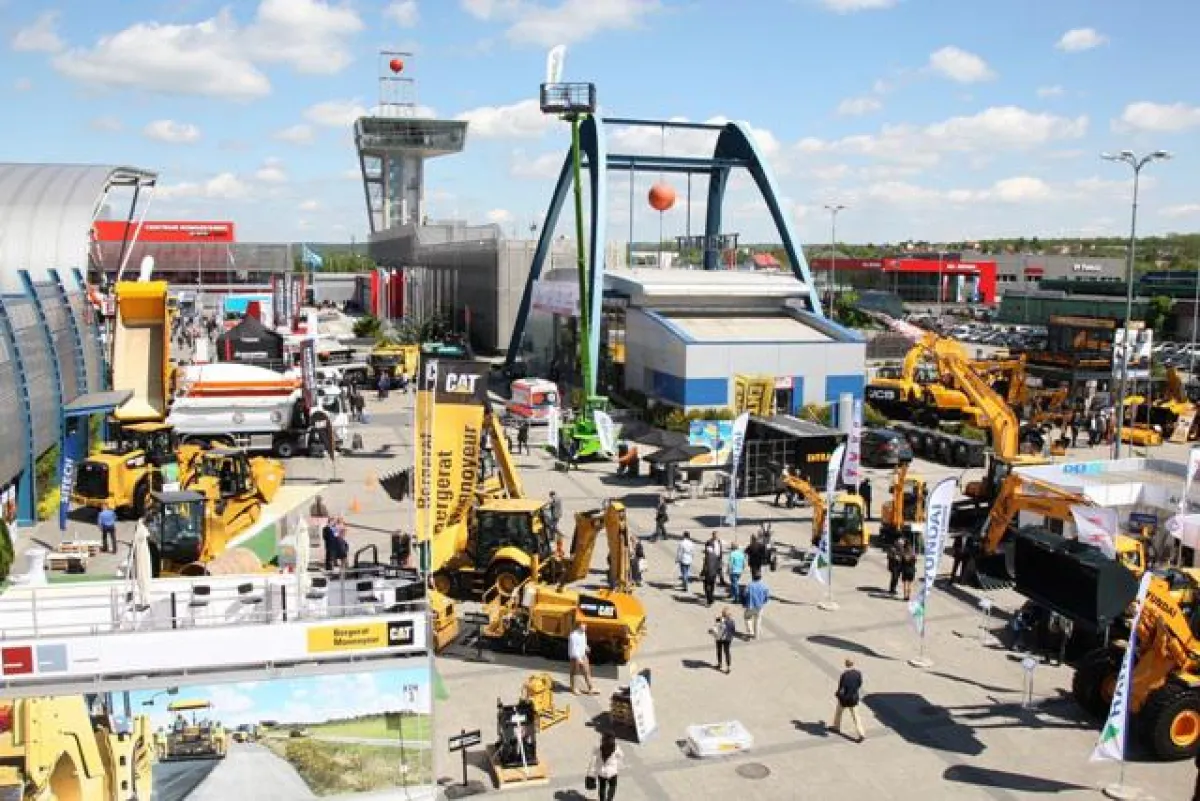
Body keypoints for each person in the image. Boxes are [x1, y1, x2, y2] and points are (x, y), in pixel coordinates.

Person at [831, 658, 866, 742]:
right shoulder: (858, 673)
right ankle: (861, 733)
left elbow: (841, 687)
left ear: (846, 664)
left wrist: (838, 694)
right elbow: (860, 684)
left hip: (844, 699)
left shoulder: (844, 675)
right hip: (854, 698)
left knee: (838, 713)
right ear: (853, 664)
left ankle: (836, 727)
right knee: (856, 717)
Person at [586, 732, 624, 801]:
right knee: (612, 787)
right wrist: (618, 767)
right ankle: (609, 799)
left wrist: (591, 774)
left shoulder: (598, 748)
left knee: (602, 787)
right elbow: (621, 756)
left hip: (601, 772)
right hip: (612, 772)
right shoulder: (616, 748)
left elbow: (593, 761)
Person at [568, 622, 597, 695]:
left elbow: (583, 643)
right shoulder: (573, 635)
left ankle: (591, 688)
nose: (585, 626)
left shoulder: (583, 633)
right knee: (575, 673)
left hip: (583, 655)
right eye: (583, 625)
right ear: (578, 626)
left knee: (587, 671)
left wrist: (586, 647)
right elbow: (574, 649)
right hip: (575, 657)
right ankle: (574, 688)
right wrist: (579, 659)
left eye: (585, 624)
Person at [743, 575, 770, 639]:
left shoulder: (749, 585)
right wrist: (765, 602)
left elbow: (744, 594)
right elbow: (767, 596)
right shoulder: (764, 586)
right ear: (760, 578)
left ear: (753, 577)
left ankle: (750, 631)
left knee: (747, 617)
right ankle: (756, 635)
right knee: (758, 620)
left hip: (750, 605)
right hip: (760, 606)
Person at [712, 607, 736, 673]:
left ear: (723, 614)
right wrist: (731, 638)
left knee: (719, 651)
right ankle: (728, 667)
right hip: (727, 639)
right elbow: (733, 631)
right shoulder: (732, 621)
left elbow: (715, 627)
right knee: (727, 652)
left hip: (719, 638)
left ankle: (719, 664)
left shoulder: (719, 619)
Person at [700, 539, 721, 606]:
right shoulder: (715, 555)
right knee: (712, 586)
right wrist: (717, 572)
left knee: (706, 587)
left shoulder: (707, 556)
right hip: (713, 574)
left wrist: (702, 573)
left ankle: (709, 600)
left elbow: (705, 566)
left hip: (708, 574)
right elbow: (718, 565)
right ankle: (711, 597)